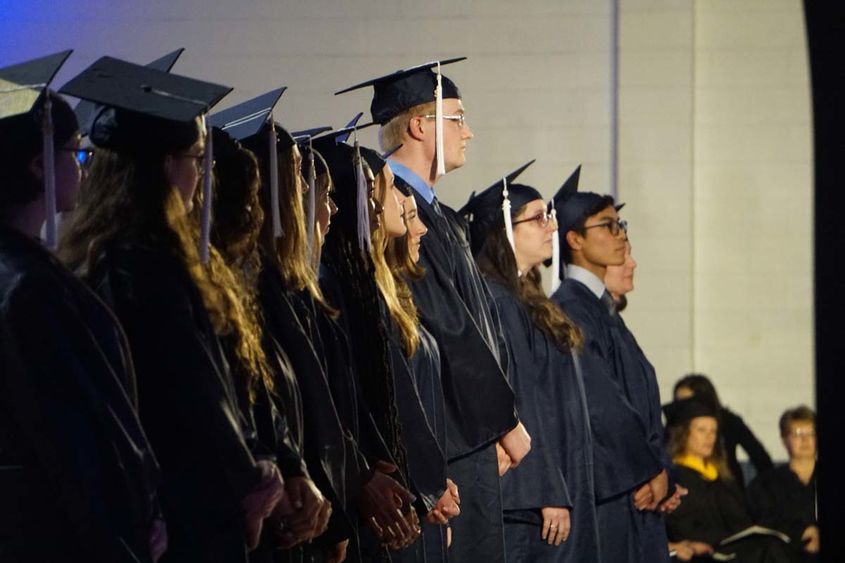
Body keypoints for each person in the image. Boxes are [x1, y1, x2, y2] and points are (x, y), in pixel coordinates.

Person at [58, 57, 285, 561]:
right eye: (196, 157)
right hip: (180, 519)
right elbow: (195, 396)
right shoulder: (147, 270)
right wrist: (251, 480)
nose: (203, 176)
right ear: (166, 166)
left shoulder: (96, 261)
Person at [337, 58, 530, 562]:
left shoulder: (438, 215)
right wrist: (499, 421)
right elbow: (443, 324)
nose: (469, 132)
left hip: (472, 434)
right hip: (448, 439)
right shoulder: (395, 216)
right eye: (457, 118)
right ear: (420, 125)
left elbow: (480, 325)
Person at [1, 52, 163, 562]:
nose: (83, 168)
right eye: (75, 153)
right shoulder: (28, 288)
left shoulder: (26, 272)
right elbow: (72, 440)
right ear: (38, 166)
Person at [206, 126, 333, 561]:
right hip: (230, 511)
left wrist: (292, 467)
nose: (308, 192)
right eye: (297, 173)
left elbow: (267, 385)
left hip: (283, 495)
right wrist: (266, 475)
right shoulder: (159, 283)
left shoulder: (269, 282)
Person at [463, 164, 601, 563]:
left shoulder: (521, 299)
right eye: (538, 218)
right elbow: (520, 402)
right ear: (505, 230)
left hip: (537, 490)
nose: (551, 228)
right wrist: (548, 491)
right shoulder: (498, 300)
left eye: (550, 217)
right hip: (524, 498)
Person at [549, 174, 668, 562]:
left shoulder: (600, 307)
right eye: (608, 225)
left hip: (631, 485)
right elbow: (602, 402)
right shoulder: (571, 306)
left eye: (620, 226)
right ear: (574, 240)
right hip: (612, 491)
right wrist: (648, 469)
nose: (621, 236)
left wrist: (661, 470)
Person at [386, 190, 461, 562]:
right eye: (409, 216)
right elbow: (399, 403)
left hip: (422, 491)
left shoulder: (399, 299)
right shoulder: (372, 305)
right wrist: (428, 484)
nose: (420, 229)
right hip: (401, 498)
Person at [604, 237, 687, 561]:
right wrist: (652, 474)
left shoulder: (618, 326)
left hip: (645, 491)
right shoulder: (588, 323)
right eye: (623, 256)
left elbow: (647, 418)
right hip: (625, 493)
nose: (632, 263)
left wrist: (665, 477)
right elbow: (611, 414)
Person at [663, 398, 792, 563]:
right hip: (702, 553)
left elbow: (741, 518)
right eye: (701, 430)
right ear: (684, 433)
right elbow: (681, 527)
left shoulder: (721, 475)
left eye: (713, 430)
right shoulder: (675, 477)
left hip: (735, 549)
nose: (709, 437)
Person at [674, 373, 773, 488]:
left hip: (727, 488)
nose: (682, 409)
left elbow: (760, 458)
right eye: (678, 403)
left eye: (687, 402)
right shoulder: (675, 427)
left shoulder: (729, 421)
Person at [747, 406, 819, 562]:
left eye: (811, 433)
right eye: (797, 434)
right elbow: (763, 522)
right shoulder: (765, 483)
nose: (805, 440)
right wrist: (802, 532)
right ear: (784, 439)